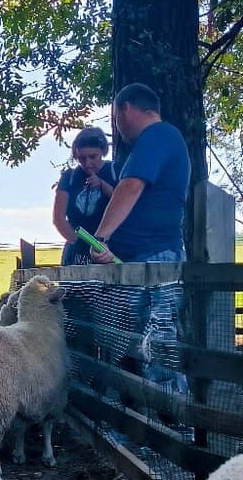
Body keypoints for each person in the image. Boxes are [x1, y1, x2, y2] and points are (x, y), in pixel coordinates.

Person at [90, 83, 191, 394]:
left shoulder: (158, 135)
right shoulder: (159, 141)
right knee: (137, 344)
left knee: (155, 344)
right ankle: (140, 417)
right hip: (141, 259)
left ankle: (172, 418)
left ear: (126, 109)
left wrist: (102, 236)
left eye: (115, 117)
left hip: (153, 260)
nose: (117, 127)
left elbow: (130, 186)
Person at [53, 127, 118, 265]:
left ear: (103, 151)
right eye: (82, 158)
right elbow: (58, 219)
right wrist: (77, 243)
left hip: (110, 249)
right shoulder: (69, 177)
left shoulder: (115, 171)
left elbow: (122, 203)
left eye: (93, 157)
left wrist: (102, 185)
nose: (87, 164)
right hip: (77, 251)